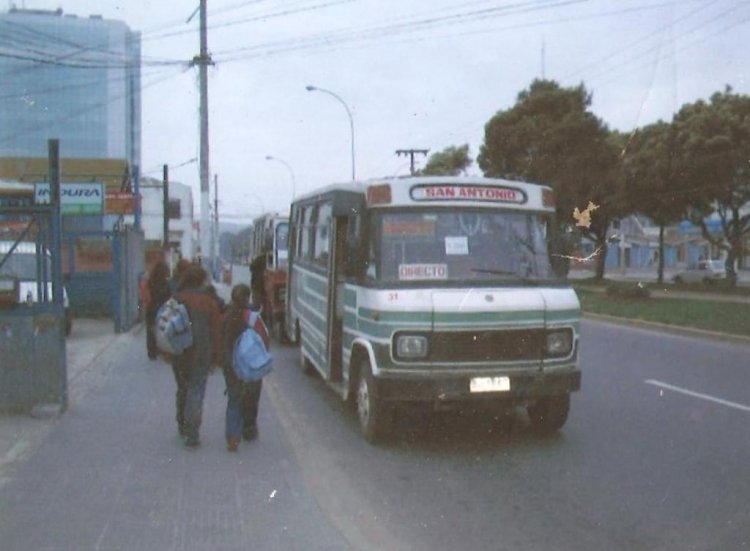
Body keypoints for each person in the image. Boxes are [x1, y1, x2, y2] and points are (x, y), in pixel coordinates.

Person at [172, 265, 223, 449]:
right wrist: (217, 356)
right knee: (196, 390)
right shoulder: (208, 302)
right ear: (201, 280)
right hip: (201, 352)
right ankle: (192, 432)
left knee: (183, 387)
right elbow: (216, 331)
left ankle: (181, 422)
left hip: (179, 352)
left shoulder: (177, 299)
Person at [222, 283, 270, 452]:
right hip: (249, 363)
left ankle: (232, 436)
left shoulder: (226, 314)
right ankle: (248, 430)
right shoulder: (252, 316)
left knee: (234, 399)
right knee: (251, 396)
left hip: (230, 363)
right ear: (248, 297)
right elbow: (264, 338)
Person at [145, 260, 171, 360]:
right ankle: (161, 349)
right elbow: (167, 296)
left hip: (151, 308)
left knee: (151, 330)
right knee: (162, 329)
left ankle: (151, 352)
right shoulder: (165, 283)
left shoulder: (150, 281)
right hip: (162, 309)